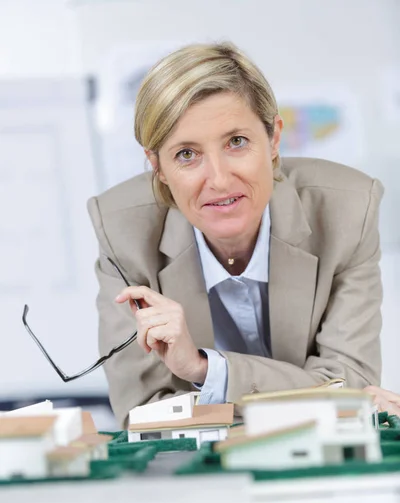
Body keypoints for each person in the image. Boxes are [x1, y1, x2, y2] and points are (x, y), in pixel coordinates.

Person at [88, 42, 384, 427]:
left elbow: (352, 384)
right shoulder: (121, 230)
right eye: (186, 155)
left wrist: (204, 370)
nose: (220, 179)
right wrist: (323, 399)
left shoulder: (348, 210)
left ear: (274, 139)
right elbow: (145, 414)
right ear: (157, 166)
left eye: (237, 142)